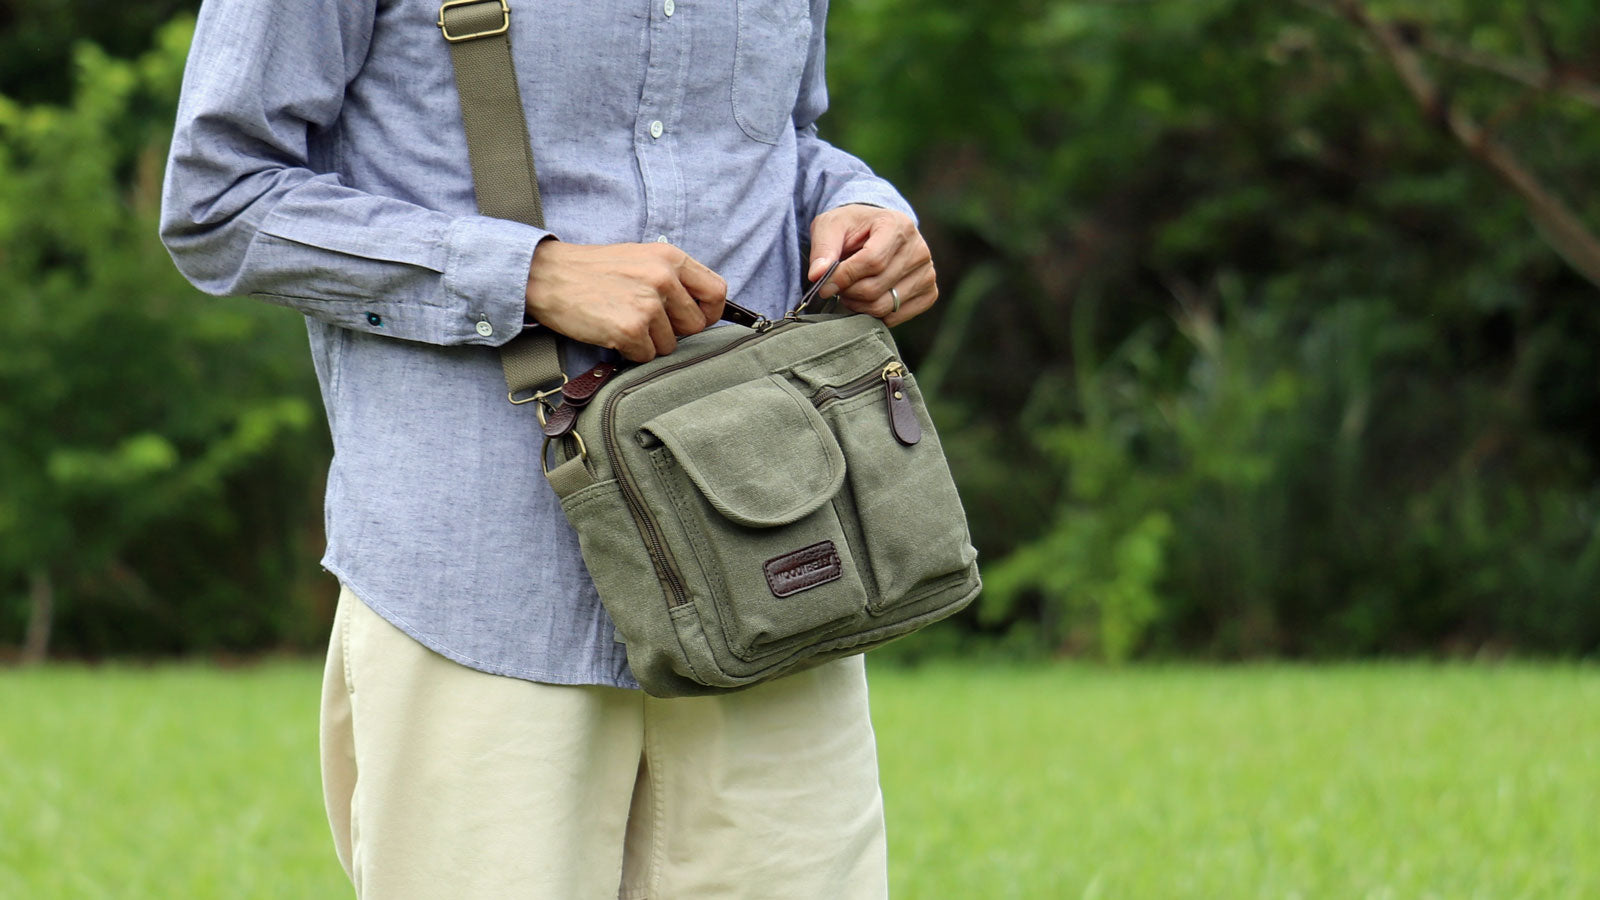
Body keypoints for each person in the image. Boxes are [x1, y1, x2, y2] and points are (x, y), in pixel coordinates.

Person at [160, 0, 938, 895]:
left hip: (777, 579)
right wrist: (528, 273)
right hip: (484, 593)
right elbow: (219, 199)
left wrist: (858, 205)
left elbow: (781, 142)